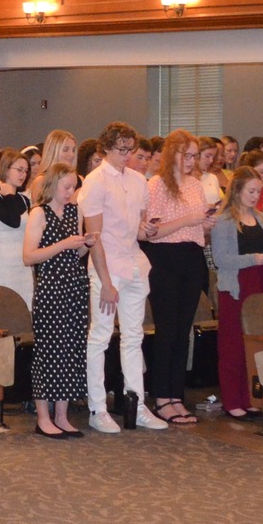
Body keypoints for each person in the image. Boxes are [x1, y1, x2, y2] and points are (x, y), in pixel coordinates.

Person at [81, 123, 159, 434]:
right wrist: (106, 281)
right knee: (100, 337)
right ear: (105, 149)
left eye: (130, 150)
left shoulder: (139, 181)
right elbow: (94, 237)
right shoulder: (95, 181)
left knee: (134, 336)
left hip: (134, 263)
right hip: (107, 266)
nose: (127, 156)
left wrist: (147, 230)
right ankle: (97, 408)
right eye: (121, 150)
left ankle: (136, 405)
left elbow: (136, 228)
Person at [139, 131, 216, 424]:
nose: (191, 161)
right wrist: (190, 219)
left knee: (184, 331)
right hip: (165, 258)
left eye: (194, 155)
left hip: (192, 256)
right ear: (172, 153)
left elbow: (198, 230)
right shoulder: (157, 185)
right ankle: (161, 396)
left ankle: (176, 395)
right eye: (186, 155)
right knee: (167, 330)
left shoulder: (196, 185)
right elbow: (153, 231)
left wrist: (206, 223)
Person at [210, 166, 263, 425]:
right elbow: (221, 259)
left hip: (258, 282)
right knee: (232, 345)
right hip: (236, 286)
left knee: (255, 343)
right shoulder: (224, 220)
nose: (255, 196)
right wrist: (254, 259)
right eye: (251, 191)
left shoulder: (261, 217)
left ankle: (252, 396)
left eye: (258, 191)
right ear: (237, 191)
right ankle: (232, 399)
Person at [25, 161, 93, 438]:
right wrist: (64, 244)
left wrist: (85, 245)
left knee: (71, 350)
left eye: (73, 188)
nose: (70, 192)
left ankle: (62, 416)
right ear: (52, 185)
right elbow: (29, 256)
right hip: (51, 289)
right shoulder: (39, 213)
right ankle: (43, 417)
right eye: (66, 187)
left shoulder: (75, 211)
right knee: (49, 352)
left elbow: (72, 256)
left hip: (74, 287)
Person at [0, 147, 35, 308]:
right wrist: (10, 195)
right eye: (19, 170)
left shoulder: (24, 200)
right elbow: (14, 222)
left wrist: (12, 196)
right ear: (5, 169)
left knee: (25, 311)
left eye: (26, 171)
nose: (23, 174)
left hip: (22, 266)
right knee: (4, 311)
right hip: (2, 264)